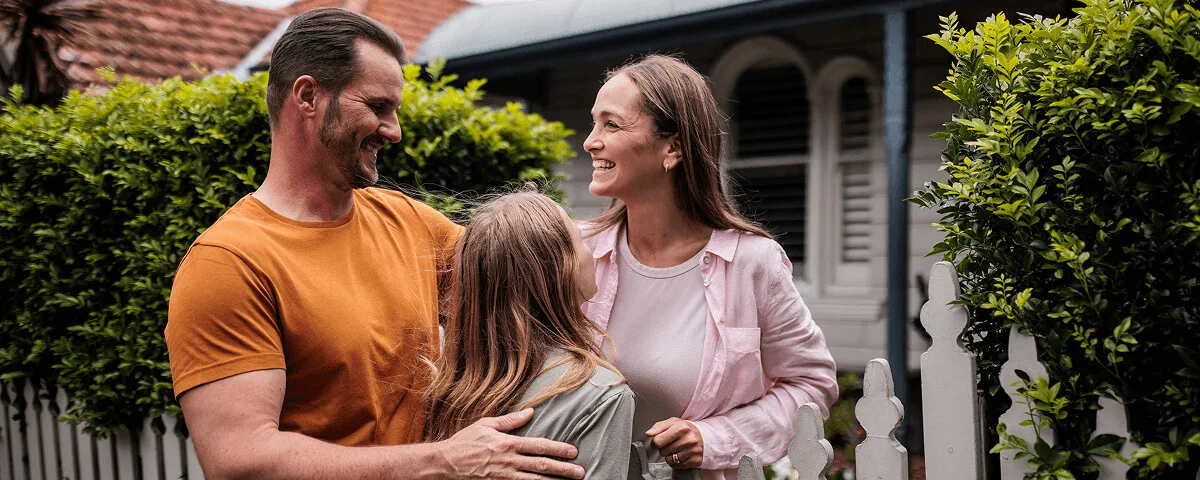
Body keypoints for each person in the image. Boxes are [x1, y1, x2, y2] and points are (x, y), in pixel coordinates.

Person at [164, 8, 584, 479]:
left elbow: (534, 279)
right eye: (378, 107)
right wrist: (443, 461)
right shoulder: (229, 264)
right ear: (307, 96)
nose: (395, 130)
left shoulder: (407, 223)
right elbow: (240, 460)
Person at [580, 54, 839, 479]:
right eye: (594, 123)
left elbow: (811, 387)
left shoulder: (752, 264)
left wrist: (715, 438)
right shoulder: (574, 252)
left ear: (674, 147)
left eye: (611, 124)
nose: (591, 141)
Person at [424, 191, 635, 478]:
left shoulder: (449, 387)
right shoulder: (601, 395)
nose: (592, 253)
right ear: (560, 271)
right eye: (581, 242)